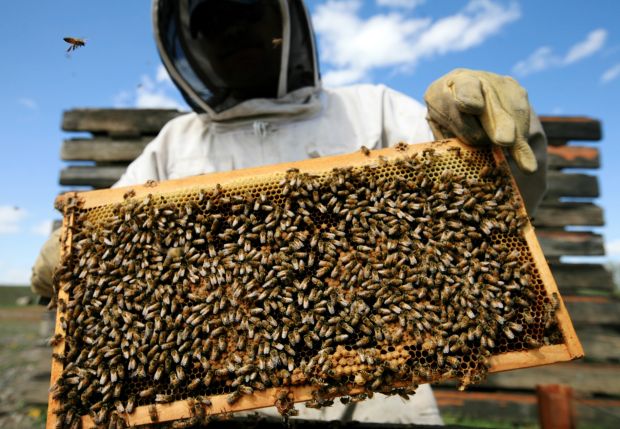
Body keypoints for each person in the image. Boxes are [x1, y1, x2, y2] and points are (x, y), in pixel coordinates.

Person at [31, 0, 548, 425]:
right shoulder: (173, 144)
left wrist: (473, 130)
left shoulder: (375, 109)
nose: (230, 30)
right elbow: (108, 242)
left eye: (245, 10)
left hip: (383, 405)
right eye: (211, 21)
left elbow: (489, 209)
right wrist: (73, 253)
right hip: (221, 411)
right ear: (190, 44)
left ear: (282, 20)